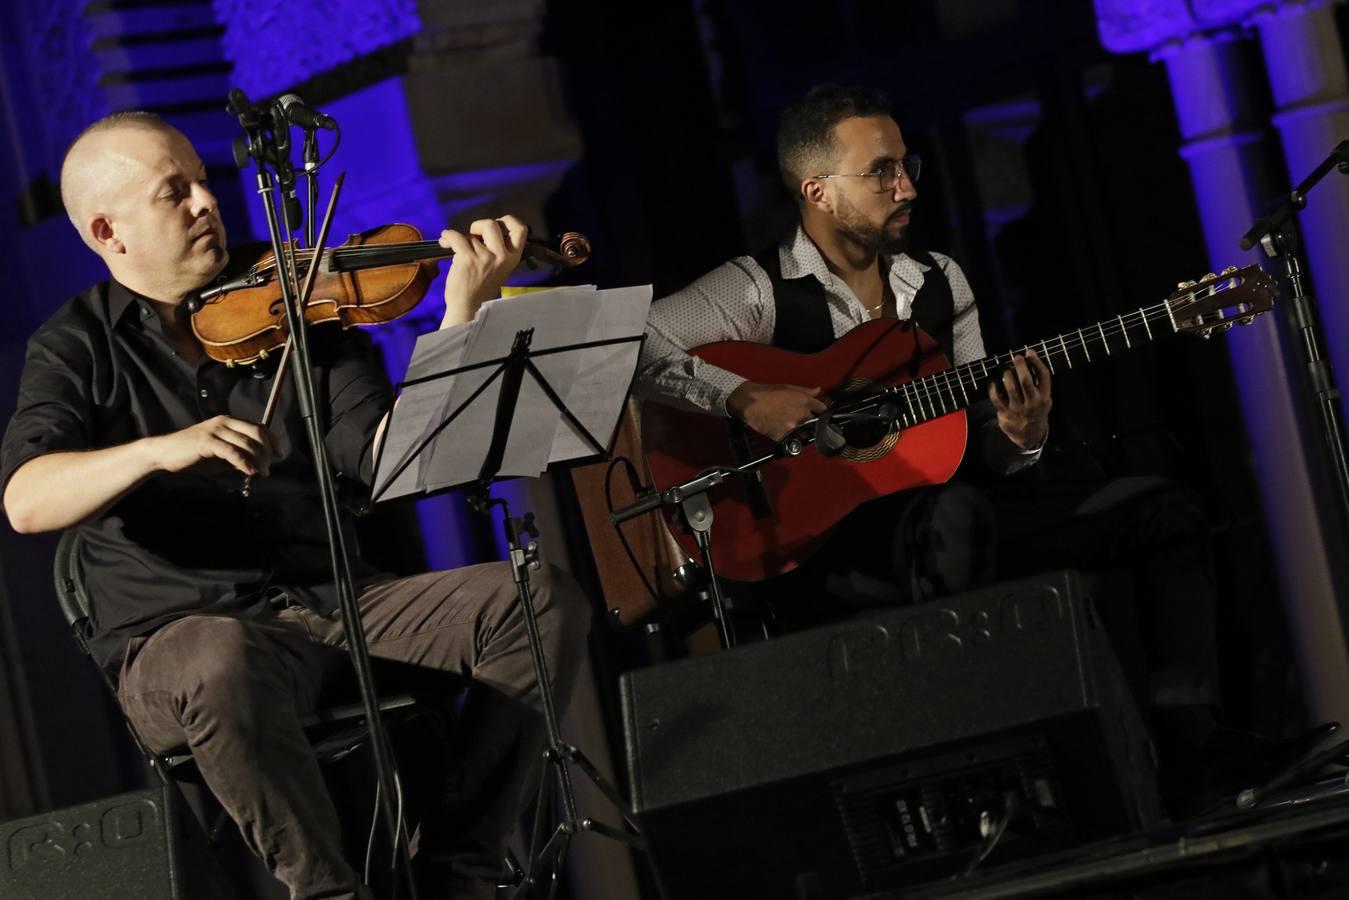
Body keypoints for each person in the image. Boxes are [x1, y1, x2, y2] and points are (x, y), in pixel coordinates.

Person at [1, 111, 590, 900]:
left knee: (536, 597)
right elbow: (26, 500)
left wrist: (462, 319)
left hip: (332, 605)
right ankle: (326, 893)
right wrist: (156, 450)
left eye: (203, 181)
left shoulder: (294, 299)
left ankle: (459, 867)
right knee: (219, 657)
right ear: (109, 232)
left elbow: (393, 457)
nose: (209, 202)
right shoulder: (76, 345)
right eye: (175, 194)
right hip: (177, 642)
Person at [635, 85, 1052, 611]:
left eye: (906, 166)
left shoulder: (941, 282)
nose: (906, 190)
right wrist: (742, 397)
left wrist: (1021, 438)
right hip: (809, 557)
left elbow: (975, 448)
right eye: (881, 172)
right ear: (817, 193)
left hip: (932, 533)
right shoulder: (757, 291)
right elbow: (634, 345)